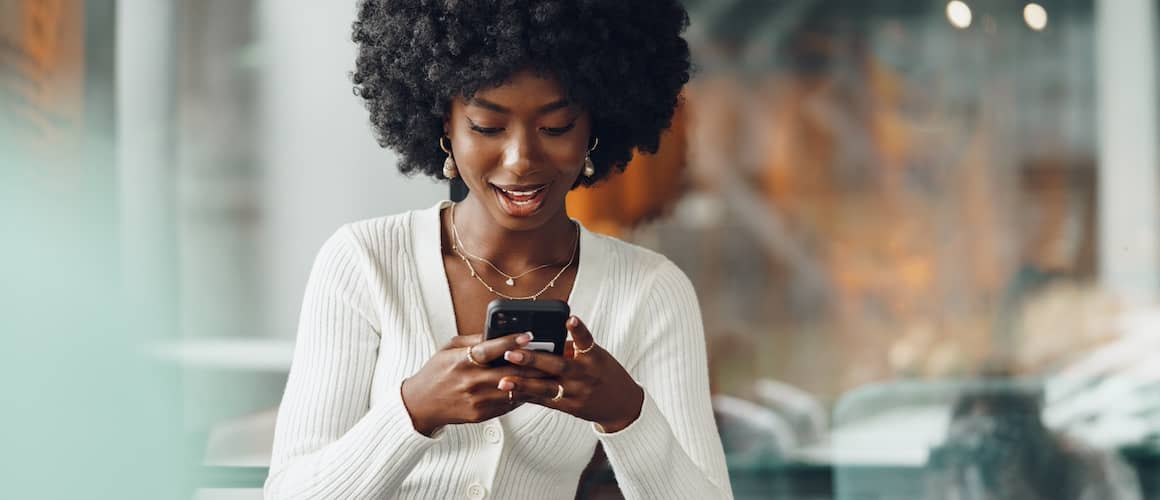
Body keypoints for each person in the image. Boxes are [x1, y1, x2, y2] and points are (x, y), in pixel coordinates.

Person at [263, 1, 733, 499]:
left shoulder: (650, 291)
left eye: (556, 127)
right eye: (487, 126)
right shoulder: (363, 262)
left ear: (596, 125)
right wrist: (413, 411)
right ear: (444, 122)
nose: (520, 160)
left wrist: (625, 414)